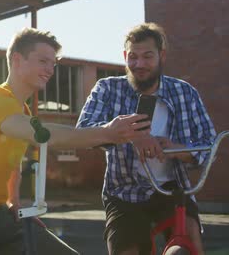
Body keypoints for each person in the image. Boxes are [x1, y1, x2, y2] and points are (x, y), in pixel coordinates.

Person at [0, 27, 150, 254]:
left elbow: (13, 163)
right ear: (17, 60)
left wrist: (14, 205)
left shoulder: (23, 111)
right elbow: (44, 136)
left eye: (53, 64)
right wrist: (107, 132)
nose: (50, 69)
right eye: (43, 61)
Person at [77, 23, 216, 255]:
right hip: (124, 190)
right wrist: (131, 136)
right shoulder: (107, 89)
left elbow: (208, 145)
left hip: (173, 189)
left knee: (190, 239)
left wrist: (176, 149)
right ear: (124, 57)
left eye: (147, 56)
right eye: (133, 57)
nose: (139, 64)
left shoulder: (184, 92)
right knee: (127, 250)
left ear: (162, 55)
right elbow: (83, 132)